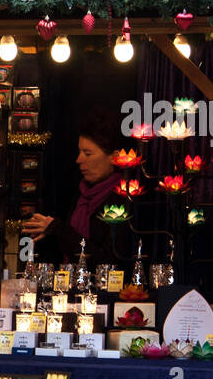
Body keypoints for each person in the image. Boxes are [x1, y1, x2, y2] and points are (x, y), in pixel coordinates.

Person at [21, 108, 135, 266]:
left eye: (87, 154)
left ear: (114, 158)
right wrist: (50, 230)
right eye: (79, 152)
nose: (79, 160)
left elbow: (108, 260)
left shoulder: (124, 198)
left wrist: (57, 229)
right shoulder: (81, 194)